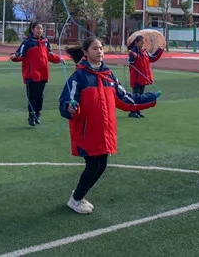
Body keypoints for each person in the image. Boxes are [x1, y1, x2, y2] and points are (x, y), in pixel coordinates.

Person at [59, 36, 160, 214]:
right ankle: (75, 199)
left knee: (102, 166)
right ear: (85, 52)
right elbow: (67, 101)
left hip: (105, 130)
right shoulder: (78, 77)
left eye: (101, 48)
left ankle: (78, 196)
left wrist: (150, 98)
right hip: (87, 132)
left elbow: (125, 99)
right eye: (95, 48)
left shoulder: (109, 76)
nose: (99, 52)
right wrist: (70, 108)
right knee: (93, 166)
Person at [10, 21, 62, 126]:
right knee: (32, 96)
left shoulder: (45, 42)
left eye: (41, 28)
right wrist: (14, 56)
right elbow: (19, 54)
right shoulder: (27, 42)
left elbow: (50, 55)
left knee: (40, 96)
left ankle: (38, 114)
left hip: (43, 73)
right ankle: (31, 116)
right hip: (31, 74)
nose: (40, 30)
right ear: (32, 29)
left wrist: (59, 59)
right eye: (38, 28)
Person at [127, 35, 163, 118]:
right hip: (136, 78)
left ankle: (138, 111)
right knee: (135, 96)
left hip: (143, 78)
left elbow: (153, 58)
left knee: (141, 95)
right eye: (141, 43)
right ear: (136, 43)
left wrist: (160, 50)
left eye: (143, 43)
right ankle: (132, 112)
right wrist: (133, 58)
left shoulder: (144, 51)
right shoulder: (133, 52)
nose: (142, 44)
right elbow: (131, 63)